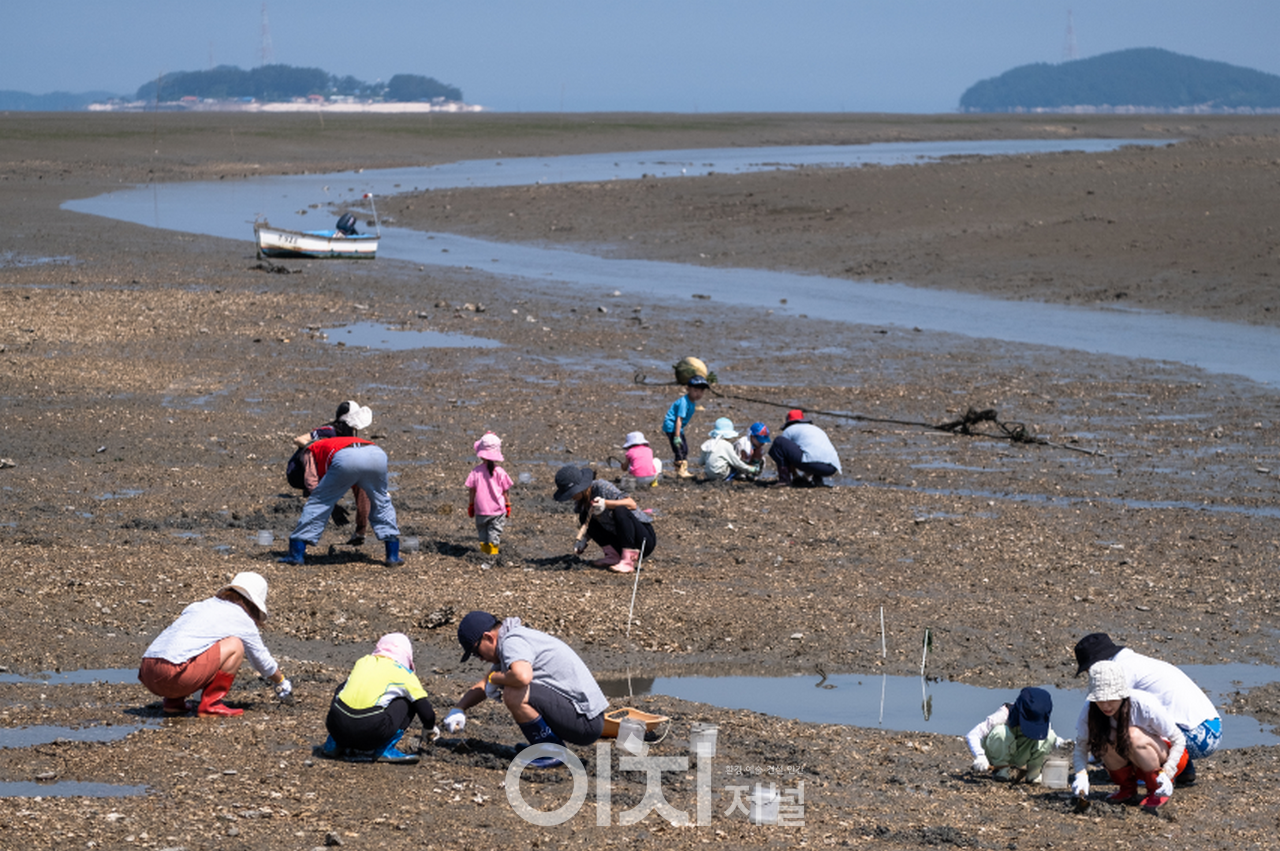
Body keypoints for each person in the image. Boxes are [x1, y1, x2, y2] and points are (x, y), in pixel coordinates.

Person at [441, 611, 608, 768]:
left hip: (586, 722)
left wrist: (495, 679)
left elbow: (521, 677)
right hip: (584, 717)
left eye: (476, 652)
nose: (480, 659)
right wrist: (459, 708)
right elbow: (484, 684)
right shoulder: (511, 641)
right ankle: (544, 748)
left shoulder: (512, 642)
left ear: (488, 637)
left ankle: (552, 753)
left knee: (514, 692)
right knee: (511, 685)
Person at [138, 571, 291, 717]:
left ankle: (173, 702)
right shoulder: (241, 617)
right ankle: (211, 704)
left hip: (148, 671)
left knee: (197, 645)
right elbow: (261, 659)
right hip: (175, 674)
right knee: (235, 644)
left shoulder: (199, 606)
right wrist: (280, 680)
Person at [1074, 632, 1219, 785]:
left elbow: (1106, 715)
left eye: (1088, 671)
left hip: (1197, 737)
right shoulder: (1134, 660)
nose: (1090, 676)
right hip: (1211, 728)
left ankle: (1149, 777)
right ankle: (1185, 771)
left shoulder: (1117, 671)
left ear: (1097, 664)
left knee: (1125, 725)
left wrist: (1099, 755)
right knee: (1146, 715)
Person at [1071, 660, 1189, 809]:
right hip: (1133, 761)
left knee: (1132, 735)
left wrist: (1168, 771)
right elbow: (1081, 746)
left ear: (1122, 694)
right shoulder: (1090, 710)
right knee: (1103, 738)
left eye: (1112, 699)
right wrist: (1081, 774)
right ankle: (1127, 788)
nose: (1106, 706)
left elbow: (1178, 740)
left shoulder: (1143, 704)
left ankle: (1156, 788)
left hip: (1164, 758)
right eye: (1100, 700)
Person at [279, 430, 403, 567]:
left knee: (318, 502)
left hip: (346, 458)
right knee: (382, 502)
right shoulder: (330, 444)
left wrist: (331, 506)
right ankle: (393, 556)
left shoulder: (309, 450)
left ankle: (296, 554)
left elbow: (311, 483)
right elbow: (363, 493)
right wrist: (360, 528)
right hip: (376, 454)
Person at [322, 632, 436, 764]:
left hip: (337, 728)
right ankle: (385, 750)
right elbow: (427, 713)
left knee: (345, 689)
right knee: (409, 700)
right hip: (371, 733)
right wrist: (429, 729)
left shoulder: (363, 662)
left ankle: (334, 743)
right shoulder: (405, 674)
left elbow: (339, 691)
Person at [292, 400, 374, 544]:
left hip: (332, 469)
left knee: (362, 485)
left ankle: (360, 532)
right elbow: (299, 440)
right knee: (316, 491)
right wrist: (322, 448)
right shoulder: (330, 431)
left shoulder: (351, 436)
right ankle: (303, 540)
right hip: (302, 471)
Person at [553, 465, 656, 574]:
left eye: (571, 492)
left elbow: (631, 504)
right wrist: (584, 540)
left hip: (642, 540)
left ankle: (628, 561)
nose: (570, 497)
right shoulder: (581, 504)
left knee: (620, 509)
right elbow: (591, 524)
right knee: (583, 516)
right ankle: (613, 555)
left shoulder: (602, 487)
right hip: (620, 541)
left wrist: (606, 503)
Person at [965, 687, 1060, 783]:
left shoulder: (1041, 719)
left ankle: (1033, 773)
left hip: (1021, 754)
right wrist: (980, 756)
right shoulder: (1004, 714)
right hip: (998, 752)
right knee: (1001, 732)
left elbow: (1051, 738)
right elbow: (973, 734)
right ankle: (1001, 771)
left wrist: (1061, 743)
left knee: (1049, 736)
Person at [466, 432, 513, 556]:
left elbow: (472, 490)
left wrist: (471, 505)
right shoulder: (500, 472)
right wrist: (508, 504)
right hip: (497, 510)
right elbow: (505, 490)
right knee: (494, 533)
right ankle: (491, 557)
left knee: (482, 533)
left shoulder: (476, 471)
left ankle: (484, 554)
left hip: (481, 510)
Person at [768, 409, 842, 487]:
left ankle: (784, 479)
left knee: (779, 441)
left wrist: (794, 474)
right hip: (831, 468)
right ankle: (817, 479)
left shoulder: (789, 429)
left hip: (812, 464)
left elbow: (784, 453)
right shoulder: (815, 429)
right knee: (812, 450)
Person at [662, 375, 709, 479]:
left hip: (678, 428)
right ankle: (681, 471)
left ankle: (681, 469)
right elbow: (679, 419)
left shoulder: (691, 402)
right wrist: (677, 436)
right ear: (688, 389)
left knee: (685, 449)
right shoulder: (684, 402)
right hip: (672, 426)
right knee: (679, 449)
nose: (698, 394)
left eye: (701, 391)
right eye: (695, 390)